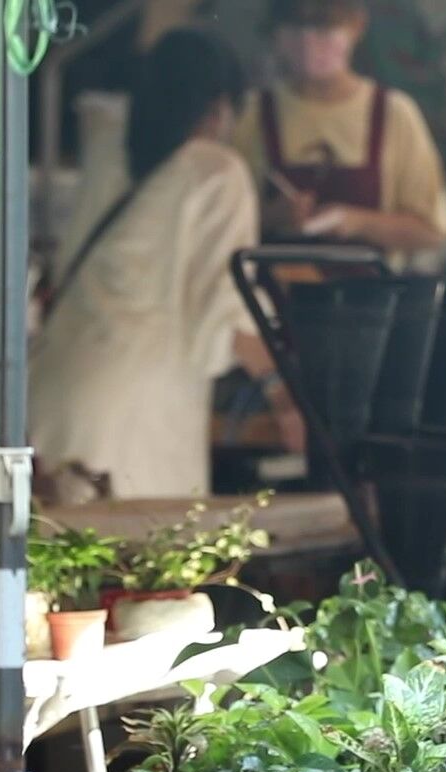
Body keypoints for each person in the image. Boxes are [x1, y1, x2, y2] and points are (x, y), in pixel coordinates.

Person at [30, 28, 304, 501]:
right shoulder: (218, 172)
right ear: (220, 106)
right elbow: (226, 309)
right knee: (142, 567)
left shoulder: (108, 151)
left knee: (45, 563)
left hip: (53, 394)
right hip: (136, 414)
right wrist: (286, 397)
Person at [233, 0, 446, 269]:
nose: (308, 41)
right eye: (295, 27)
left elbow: (432, 232)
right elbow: (221, 223)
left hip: (368, 303)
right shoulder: (252, 113)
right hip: (271, 303)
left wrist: (358, 222)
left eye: (324, 27)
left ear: (357, 26)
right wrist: (270, 217)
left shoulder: (394, 114)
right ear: (275, 33)